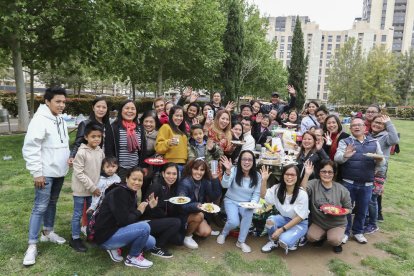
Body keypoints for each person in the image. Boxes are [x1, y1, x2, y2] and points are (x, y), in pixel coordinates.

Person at [22, 87, 70, 266]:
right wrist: (37, 173)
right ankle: (32, 245)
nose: (61, 105)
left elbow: (61, 144)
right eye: (58, 101)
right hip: (45, 174)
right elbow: (31, 147)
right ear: (47, 101)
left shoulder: (60, 120)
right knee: (40, 206)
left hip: (60, 172)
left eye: (63, 102)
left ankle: (48, 232)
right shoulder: (39, 120)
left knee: (52, 203)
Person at [334, 117, 385, 244]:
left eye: (359, 125)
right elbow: (337, 158)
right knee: (346, 209)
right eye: (354, 125)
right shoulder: (346, 142)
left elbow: (382, 161)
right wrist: (345, 155)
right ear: (350, 128)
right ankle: (345, 232)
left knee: (362, 209)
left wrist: (378, 164)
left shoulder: (374, 142)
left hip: (367, 183)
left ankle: (358, 231)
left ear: (365, 127)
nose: (356, 127)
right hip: (348, 182)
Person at [94, 168, 156, 268]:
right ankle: (132, 258)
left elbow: (133, 218)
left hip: (117, 230)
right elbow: (125, 221)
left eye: (140, 180)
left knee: (151, 242)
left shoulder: (130, 192)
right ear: (127, 179)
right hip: (106, 237)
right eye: (134, 179)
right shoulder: (119, 193)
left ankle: (118, 246)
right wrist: (139, 211)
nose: (137, 182)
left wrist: (150, 207)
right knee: (144, 227)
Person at [301, 160, 352, 253]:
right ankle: (322, 236)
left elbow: (349, 209)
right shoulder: (314, 184)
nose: (326, 174)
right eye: (323, 171)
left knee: (334, 240)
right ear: (319, 172)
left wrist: (338, 211)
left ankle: (337, 241)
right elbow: (302, 192)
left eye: (330, 172)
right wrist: (307, 174)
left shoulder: (342, 190)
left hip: (337, 223)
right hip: (319, 222)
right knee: (311, 237)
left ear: (334, 173)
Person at [216, 151, 262, 253]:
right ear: (240, 160)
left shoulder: (257, 175)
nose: (247, 162)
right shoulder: (234, 170)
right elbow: (224, 185)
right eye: (244, 159)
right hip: (231, 200)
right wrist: (227, 171)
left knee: (248, 215)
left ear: (253, 162)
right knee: (233, 221)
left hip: (246, 202)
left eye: (249, 159)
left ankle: (241, 242)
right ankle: (224, 233)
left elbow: (257, 193)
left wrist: (253, 203)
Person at [70, 122, 105, 252]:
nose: (96, 139)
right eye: (93, 136)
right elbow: (79, 172)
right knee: (78, 214)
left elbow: (102, 170)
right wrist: (92, 187)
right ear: (86, 137)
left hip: (94, 191)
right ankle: (75, 238)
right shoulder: (81, 153)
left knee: (92, 213)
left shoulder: (100, 151)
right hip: (81, 190)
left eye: (99, 137)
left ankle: (91, 235)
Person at [260, 165, 309, 254]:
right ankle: (273, 242)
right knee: (270, 221)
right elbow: (263, 196)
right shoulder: (277, 189)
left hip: (300, 223)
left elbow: (299, 218)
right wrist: (264, 180)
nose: (289, 177)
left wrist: (280, 230)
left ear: (297, 177)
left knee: (284, 241)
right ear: (283, 175)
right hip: (284, 219)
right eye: (287, 174)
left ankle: (298, 237)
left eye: (293, 175)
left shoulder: (302, 194)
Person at [177, 160, 222, 249]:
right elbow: (181, 205)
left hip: (196, 212)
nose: (199, 172)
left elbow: (214, 195)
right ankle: (187, 236)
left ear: (205, 171)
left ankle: (192, 227)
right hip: (182, 214)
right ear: (191, 169)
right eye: (196, 169)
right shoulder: (185, 183)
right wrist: (196, 206)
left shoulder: (204, 182)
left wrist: (215, 178)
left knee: (206, 232)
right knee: (200, 215)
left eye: (202, 170)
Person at [365, 114, 399, 231]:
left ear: (384, 126)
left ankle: (373, 224)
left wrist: (389, 123)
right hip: (367, 170)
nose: (377, 125)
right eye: (375, 122)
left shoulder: (385, 137)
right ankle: (366, 219)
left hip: (378, 172)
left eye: (380, 123)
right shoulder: (369, 135)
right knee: (366, 197)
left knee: (372, 199)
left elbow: (395, 140)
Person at [144, 163, 183, 256]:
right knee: (176, 222)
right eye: (168, 173)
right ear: (162, 173)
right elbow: (145, 209)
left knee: (179, 240)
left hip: (161, 220)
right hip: (148, 221)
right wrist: (153, 207)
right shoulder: (156, 186)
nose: (171, 176)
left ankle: (154, 238)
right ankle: (156, 247)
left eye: (174, 174)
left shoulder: (173, 188)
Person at [106, 100, 145, 181]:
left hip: (135, 168)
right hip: (119, 169)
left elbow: (142, 150)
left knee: (133, 191)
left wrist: (141, 166)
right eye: (127, 108)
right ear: (121, 111)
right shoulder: (114, 128)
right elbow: (109, 150)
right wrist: (113, 168)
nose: (130, 111)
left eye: (133, 109)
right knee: (120, 192)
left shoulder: (139, 128)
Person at [69, 97, 113, 161]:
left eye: (104, 107)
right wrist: (72, 156)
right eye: (98, 106)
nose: (101, 109)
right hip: (90, 160)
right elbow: (78, 143)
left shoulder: (108, 125)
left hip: (106, 162)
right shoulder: (85, 124)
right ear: (93, 108)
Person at [155, 105, 188, 174]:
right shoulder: (166, 127)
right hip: (170, 164)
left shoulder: (182, 131)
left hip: (183, 165)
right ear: (171, 116)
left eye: (181, 116)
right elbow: (158, 147)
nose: (179, 118)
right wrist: (169, 142)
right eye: (176, 115)